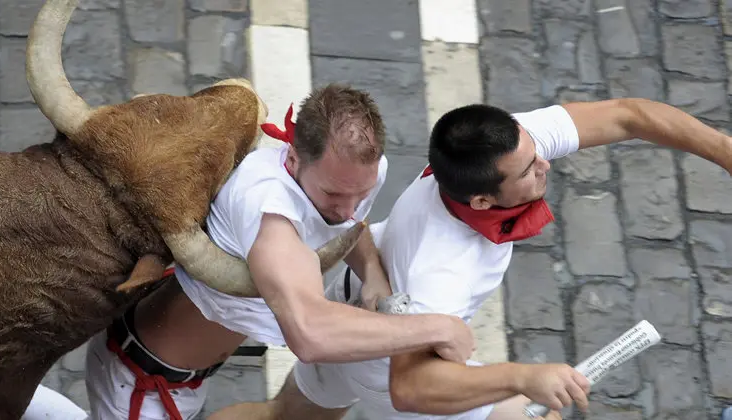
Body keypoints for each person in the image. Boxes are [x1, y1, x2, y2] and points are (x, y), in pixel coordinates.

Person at [210, 97, 732, 420]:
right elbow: (411, 386)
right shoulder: (444, 268)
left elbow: (628, 116)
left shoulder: (497, 148)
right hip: (391, 364)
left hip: (351, 303)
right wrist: (522, 378)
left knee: (282, 417)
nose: (544, 164)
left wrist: (727, 153)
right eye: (529, 170)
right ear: (482, 201)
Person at [80, 84, 477, 420]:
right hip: (140, 384)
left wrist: (372, 272)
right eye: (335, 194)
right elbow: (309, 335)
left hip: (191, 373)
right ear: (292, 157)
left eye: (362, 193)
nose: (350, 208)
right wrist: (439, 328)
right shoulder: (268, 210)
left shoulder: (351, 177)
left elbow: (348, 229)